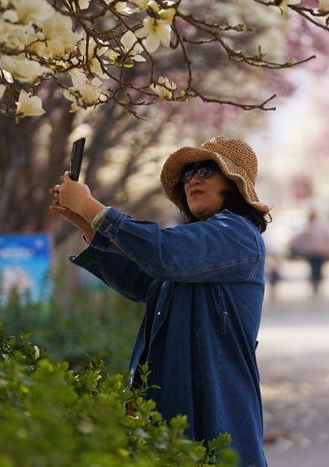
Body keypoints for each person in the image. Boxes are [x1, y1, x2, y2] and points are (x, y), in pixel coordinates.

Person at [50, 136, 271, 467]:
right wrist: (87, 225)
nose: (193, 179)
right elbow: (143, 281)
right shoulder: (198, 246)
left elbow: (164, 255)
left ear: (234, 183)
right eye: (188, 173)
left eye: (207, 170)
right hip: (174, 405)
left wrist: (96, 211)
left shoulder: (237, 234)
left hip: (216, 407)